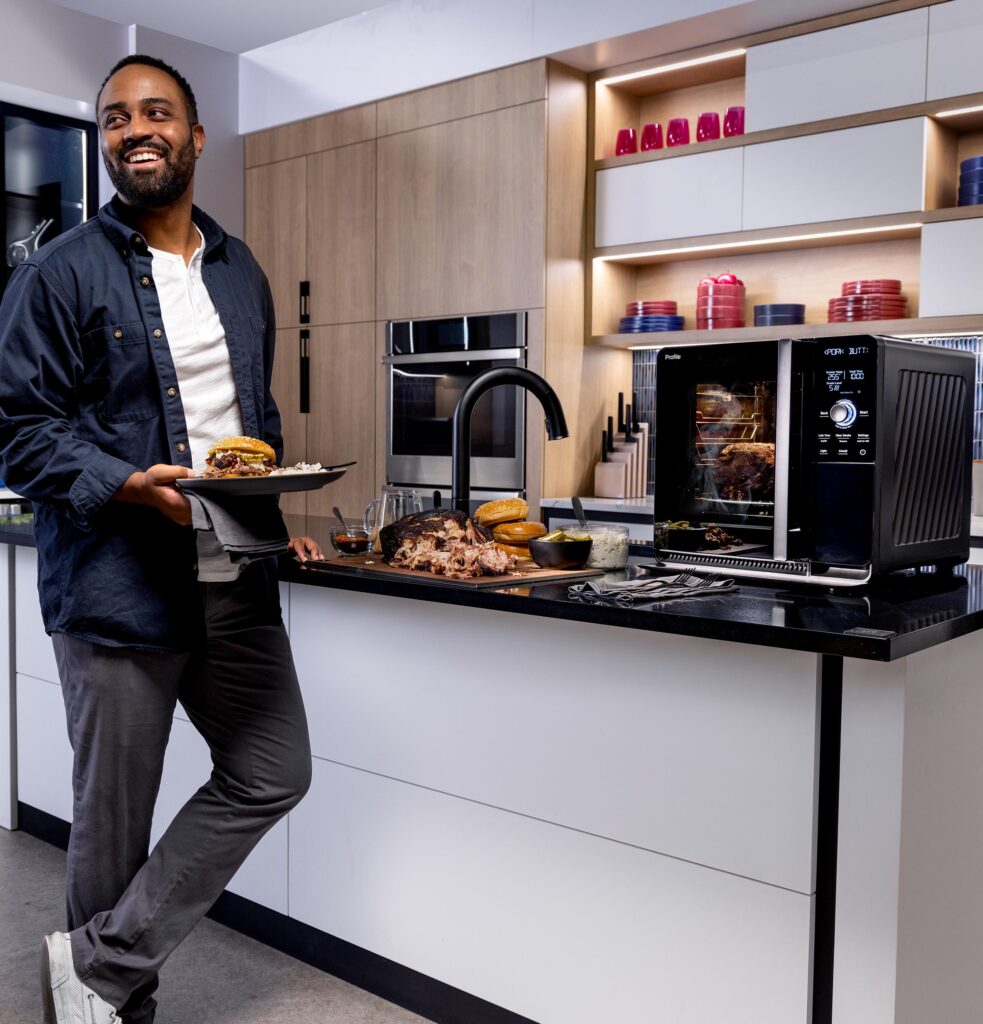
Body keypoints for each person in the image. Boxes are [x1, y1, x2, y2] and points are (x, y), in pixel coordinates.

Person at [0, 55, 320, 1024]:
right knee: (112, 825)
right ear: (105, 141)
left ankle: (94, 968)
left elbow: (244, 426)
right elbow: (19, 431)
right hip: (115, 581)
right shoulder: (61, 271)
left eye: (156, 113)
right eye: (115, 119)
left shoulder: (238, 268)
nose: (135, 130)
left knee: (273, 769)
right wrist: (126, 486)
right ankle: (112, 1012)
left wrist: (274, 514)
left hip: (233, 578)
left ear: (195, 134)